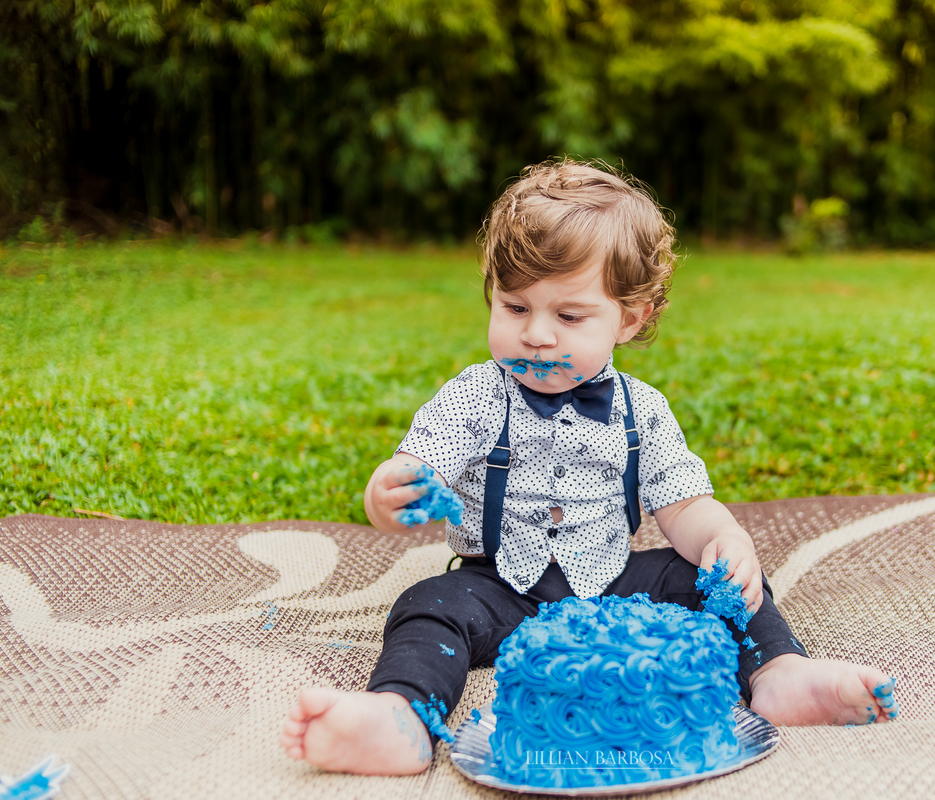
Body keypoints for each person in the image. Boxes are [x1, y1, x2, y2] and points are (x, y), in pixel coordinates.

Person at [279, 160, 899, 776]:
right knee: (428, 604)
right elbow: (419, 467)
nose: (537, 335)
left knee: (712, 579)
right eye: (514, 307)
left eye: (569, 316)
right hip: (499, 587)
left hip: (614, 581)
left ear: (631, 317)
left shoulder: (641, 411)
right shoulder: (472, 396)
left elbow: (681, 504)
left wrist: (721, 538)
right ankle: (402, 718)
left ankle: (778, 675)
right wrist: (392, 492)